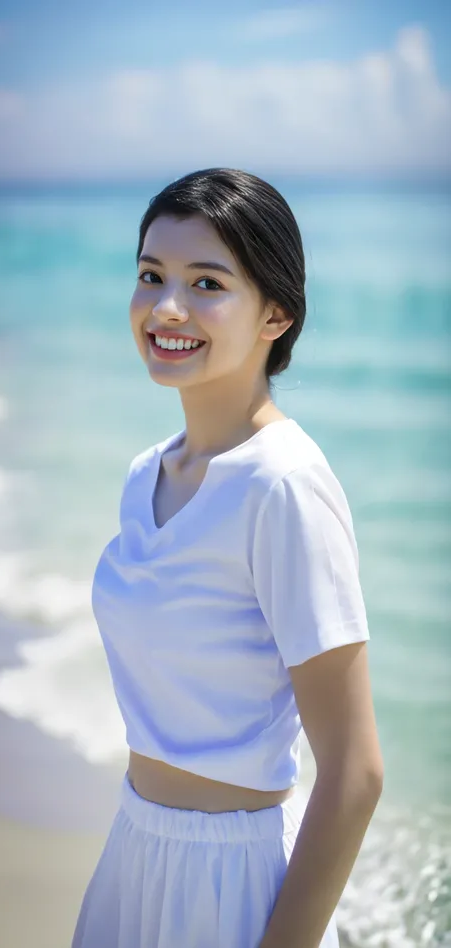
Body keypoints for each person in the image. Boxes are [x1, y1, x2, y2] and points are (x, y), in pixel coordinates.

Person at [72, 168, 384, 948]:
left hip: (234, 884)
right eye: (152, 276)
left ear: (275, 313)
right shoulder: (148, 474)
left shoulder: (284, 484)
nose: (166, 308)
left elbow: (354, 772)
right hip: (133, 853)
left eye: (206, 283)